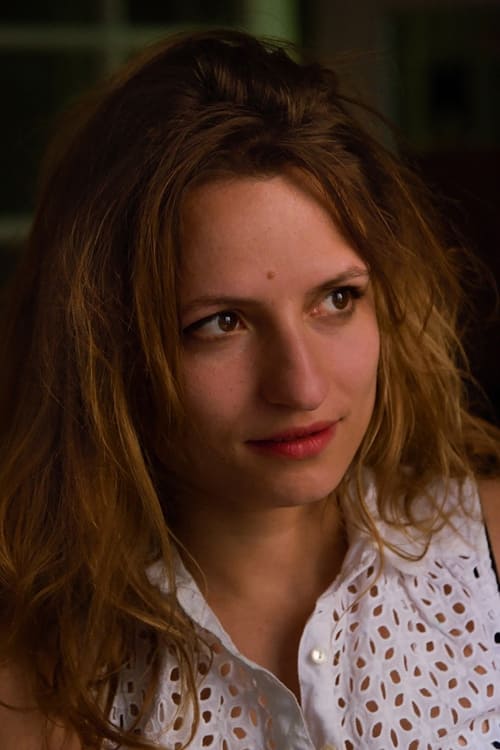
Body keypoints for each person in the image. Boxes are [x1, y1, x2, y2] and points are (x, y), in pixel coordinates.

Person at [0, 28, 499, 750]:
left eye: (336, 299)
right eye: (221, 323)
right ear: (110, 351)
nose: (301, 386)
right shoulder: (33, 682)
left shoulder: (487, 554)